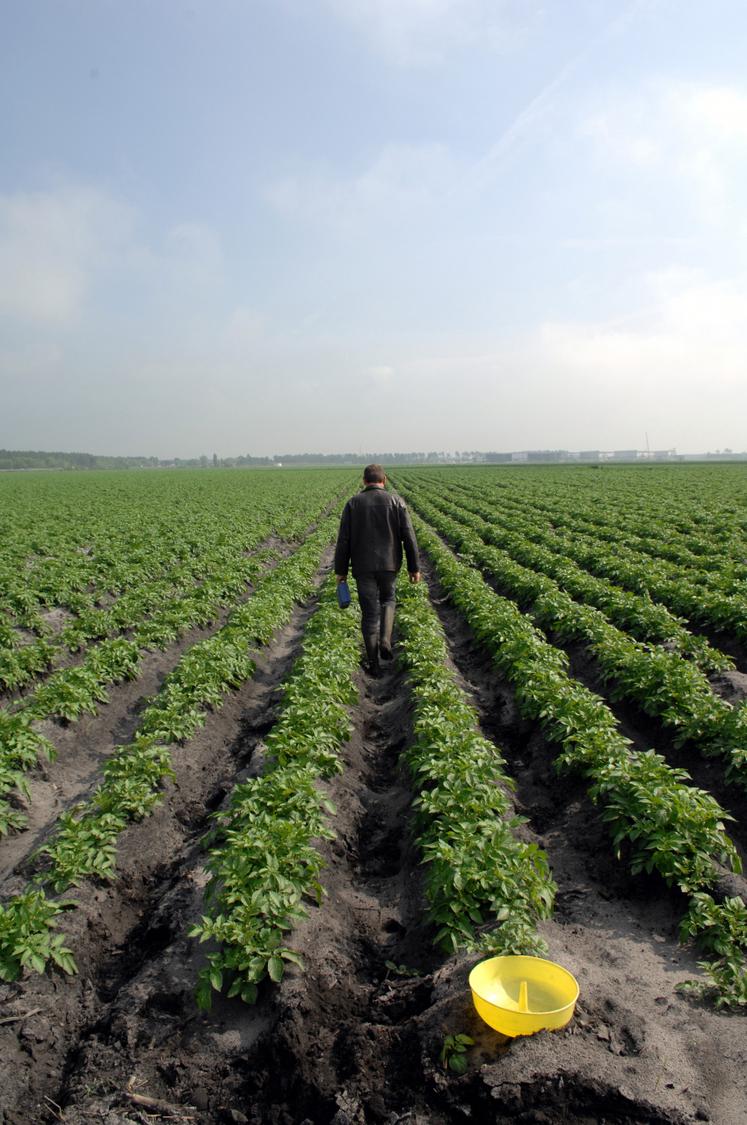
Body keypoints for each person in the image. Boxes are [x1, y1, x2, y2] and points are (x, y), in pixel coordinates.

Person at [334, 464, 420, 676]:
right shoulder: (396, 502)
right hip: (390, 565)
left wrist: (341, 570)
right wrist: (413, 567)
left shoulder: (353, 503)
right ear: (385, 480)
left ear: (364, 481)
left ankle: (374, 664)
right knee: (389, 599)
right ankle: (385, 639)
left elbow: (343, 540)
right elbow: (409, 536)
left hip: (363, 567)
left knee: (369, 614)